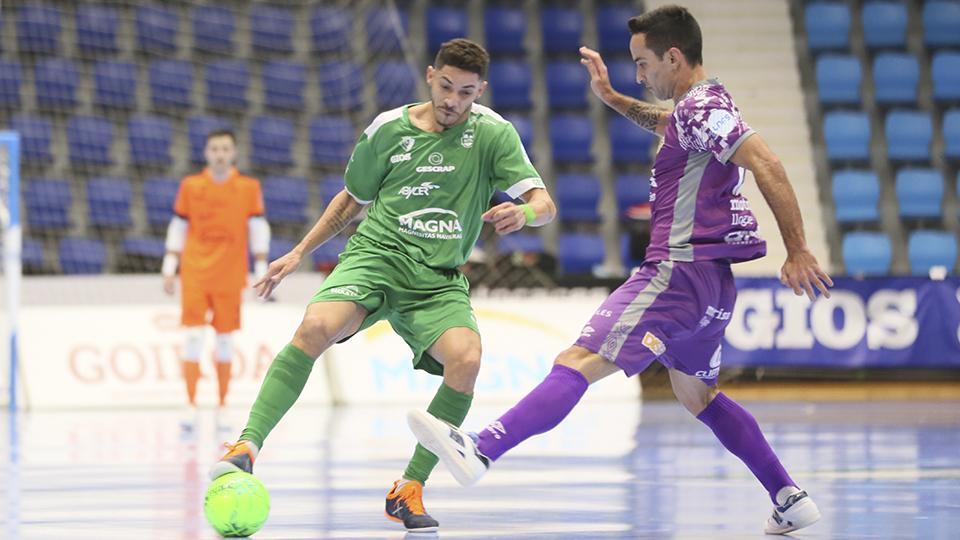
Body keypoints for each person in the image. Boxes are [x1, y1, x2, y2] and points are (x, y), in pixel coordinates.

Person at [407, 6, 833, 535]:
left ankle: (482, 448)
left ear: (673, 57)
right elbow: (670, 123)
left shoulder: (700, 108)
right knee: (697, 395)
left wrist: (797, 249)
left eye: (643, 63)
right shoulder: (700, 108)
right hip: (712, 285)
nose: (639, 75)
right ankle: (788, 496)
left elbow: (767, 162)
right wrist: (613, 100)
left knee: (579, 358)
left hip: (676, 273)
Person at [209, 38, 556, 533]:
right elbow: (350, 202)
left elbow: (546, 206)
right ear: (430, 75)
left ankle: (409, 488)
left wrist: (522, 213)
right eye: (445, 86)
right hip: (376, 257)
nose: (453, 100)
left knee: (468, 359)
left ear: (481, 90)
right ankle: (246, 445)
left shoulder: (493, 134)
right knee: (314, 327)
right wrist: (298, 253)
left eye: (465, 92)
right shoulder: (389, 129)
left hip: (436, 279)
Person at [162, 129, 271, 430]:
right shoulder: (191, 186)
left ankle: (223, 404)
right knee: (194, 337)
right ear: (206, 153)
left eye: (225, 148)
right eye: (214, 149)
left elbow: (258, 227)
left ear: (233, 153)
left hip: (230, 273)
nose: (220, 154)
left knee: (224, 339)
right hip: (196, 271)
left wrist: (261, 267)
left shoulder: (248, 188)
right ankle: (190, 404)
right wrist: (169, 265)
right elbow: (179, 225)